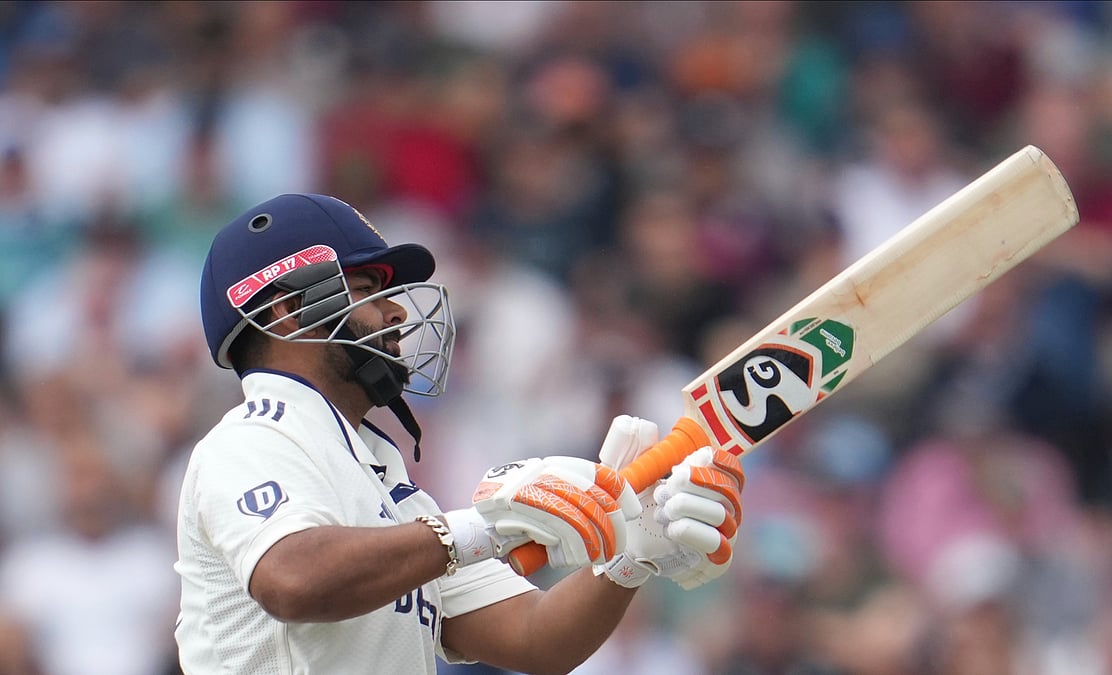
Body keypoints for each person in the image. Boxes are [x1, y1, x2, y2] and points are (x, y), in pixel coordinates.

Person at [174, 192, 745, 674]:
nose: (396, 314)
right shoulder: (249, 441)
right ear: (287, 310)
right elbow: (294, 579)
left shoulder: (388, 489)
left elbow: (534, 638)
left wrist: (632, 555)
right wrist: (483, 528)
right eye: (368, 284)